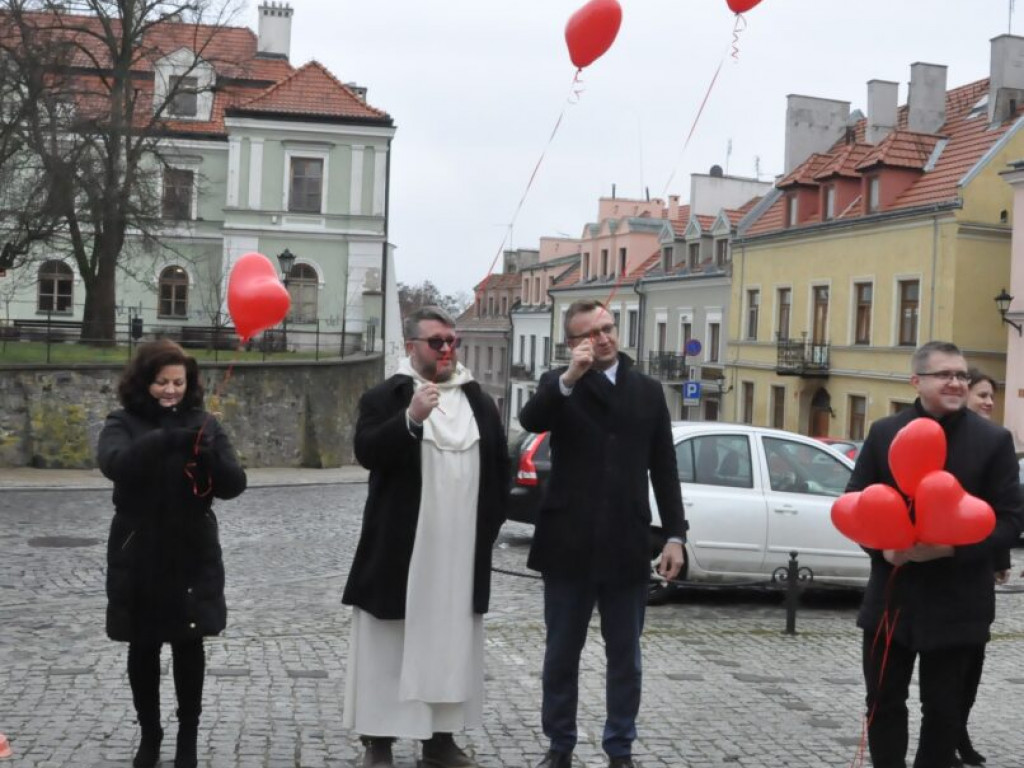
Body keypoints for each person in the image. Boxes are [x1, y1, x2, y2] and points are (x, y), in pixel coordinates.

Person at [518, 299, 687, 768]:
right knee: (560, 654)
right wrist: (571, 378)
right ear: (574, 343)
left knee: (626, 659)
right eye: (592, 333)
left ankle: (620, 748)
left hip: (625, 542)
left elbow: (665, 468)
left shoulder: (648, 391)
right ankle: (560, 744)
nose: (605, 338)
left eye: (608, 328)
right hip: (567, 541)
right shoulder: (559, 385)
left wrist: (675, 534)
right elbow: (532, 420)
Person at [342, 306, 507, 768]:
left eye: (453, 340)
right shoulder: (387, 395)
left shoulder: (478, 399)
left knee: (450, 642)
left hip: (458, 550)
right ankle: (379, 740)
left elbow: (498, 469)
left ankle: (440, 740)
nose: (448, 349)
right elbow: (367, 452)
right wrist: (410, 420)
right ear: (412, 347)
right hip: (401, 548)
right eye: (437, 342)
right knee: (389, 642)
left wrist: (487, 529)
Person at [848, 341, 1022, 768]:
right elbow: (856, 502)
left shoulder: (993, 440)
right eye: (944, 374)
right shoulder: (885, 433)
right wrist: (882, 548)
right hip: (893, 595)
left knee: (944, 713)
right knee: (883, 703)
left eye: (961, 375)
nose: (956, 382)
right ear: (916, 380)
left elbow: (1011, 520)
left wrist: (952, 548)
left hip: (958, 599)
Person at [96, 340, 247, 768]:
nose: (170, 390)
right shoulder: (122, 421)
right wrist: (165, 441)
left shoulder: (206, 423)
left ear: (189, 383)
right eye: (162, 382)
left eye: (178, 382)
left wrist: (212, 457)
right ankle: (150, 733)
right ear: (145, 382)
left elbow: (234, 485)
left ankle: (188, 737)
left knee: (188, 643)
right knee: (142, 646)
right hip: (139, 549)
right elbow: (114, 463)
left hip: (190, 550)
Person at [952, 368, 1011, 767]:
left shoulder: (994, 445)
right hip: (951, 571)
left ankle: (958, 732)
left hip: (978, 571)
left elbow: (1000, 510)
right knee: (950, 668)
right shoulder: (958, 448)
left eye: (992, 396)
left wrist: (1001, 559)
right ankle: (947, 737)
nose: (989, 402)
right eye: (983, 395)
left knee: (972, 663)